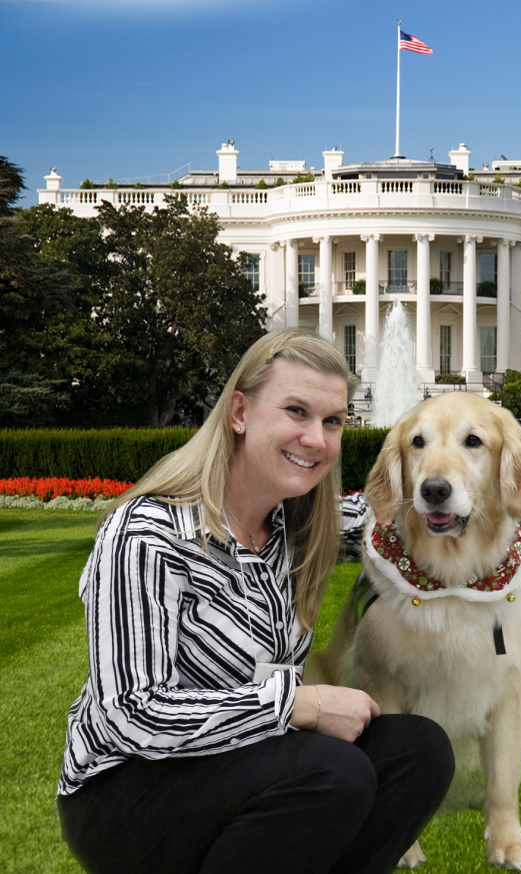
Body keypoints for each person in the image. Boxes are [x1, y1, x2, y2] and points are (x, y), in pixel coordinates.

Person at [56, 329, 455, 874]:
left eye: (333, 421)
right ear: (239, 413)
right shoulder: (148, 533)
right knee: (334, 771)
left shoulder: (294, 526)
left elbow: (393, 516)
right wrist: (298, 705)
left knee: (419, 752)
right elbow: (129, 714)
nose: (316, 438)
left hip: (247, 762)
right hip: (127, 793)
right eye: (296, 411)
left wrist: (475, 488)